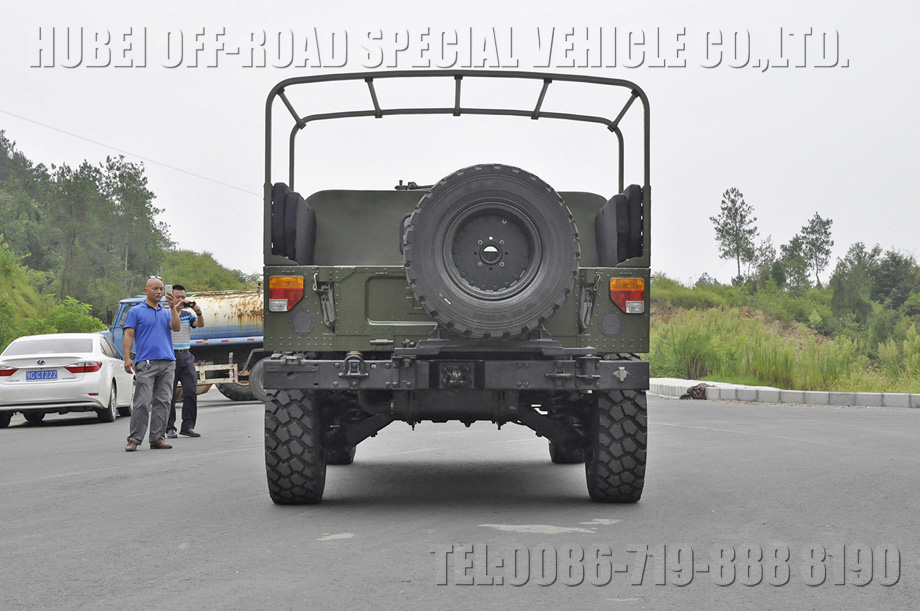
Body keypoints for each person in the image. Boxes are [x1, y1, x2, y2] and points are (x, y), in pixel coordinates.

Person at [123, 276, 182, 452]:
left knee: (163, 401)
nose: (159, 292)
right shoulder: (135, 311)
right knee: (142, 402)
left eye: (161, 289)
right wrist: (127, 357)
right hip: (146, 362)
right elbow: (129, 335)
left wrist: (173, 307)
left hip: (168, 362)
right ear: (146, 290)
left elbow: (176, 327)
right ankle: (134, 439)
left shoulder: (167, 311)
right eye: (155, 288)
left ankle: (157, 437)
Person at [166, 284, 205, 438]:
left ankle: (188, 426)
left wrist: (198, 311)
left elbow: (200, 324)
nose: (181, 300)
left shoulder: (188, 314)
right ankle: (170, 427)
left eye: (183, 297)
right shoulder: (165, 313)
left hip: (186, 355)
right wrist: (174, 308)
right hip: (170, 355)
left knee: (191, 391)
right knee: (169, 393)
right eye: (178, 297)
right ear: (171, 297)